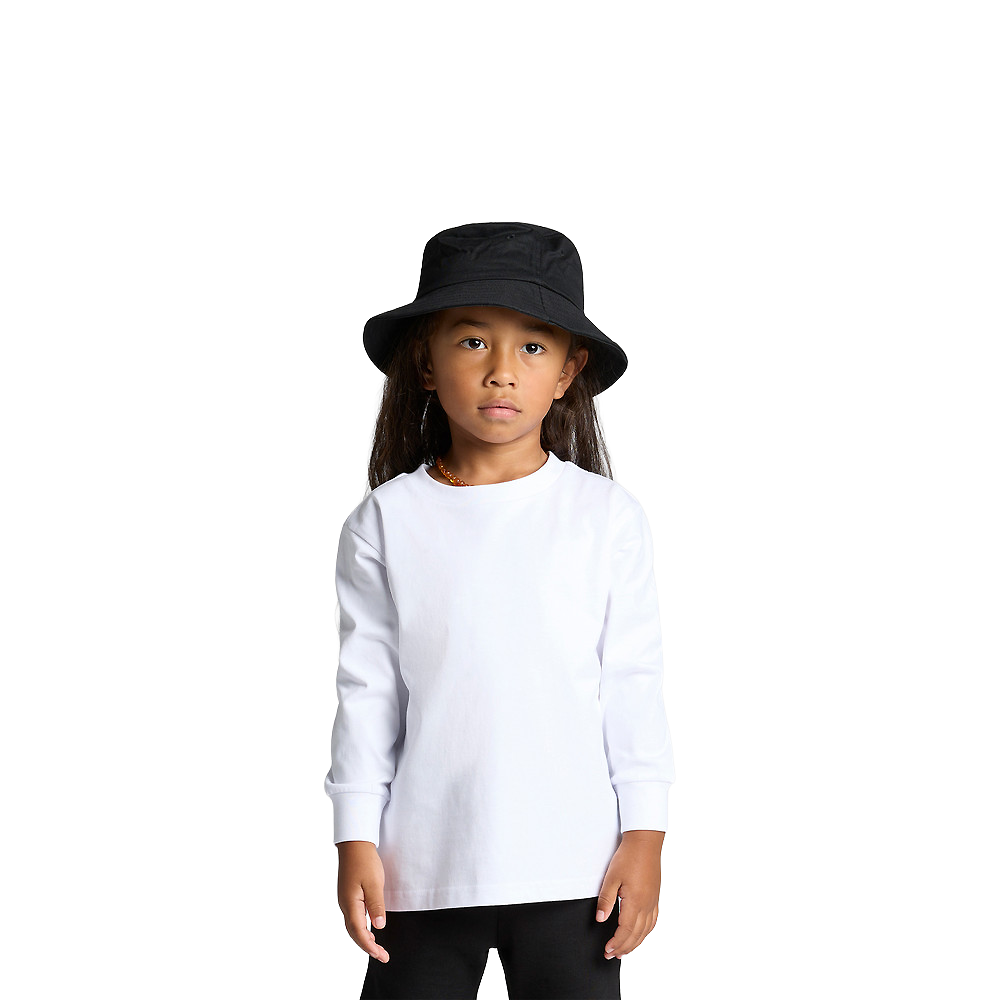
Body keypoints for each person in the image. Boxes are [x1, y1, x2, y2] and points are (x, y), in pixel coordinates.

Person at [324, 221, 677, 1000]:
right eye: (473, 341)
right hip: (421, 865)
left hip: (575, 868)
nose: (501, 372)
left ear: (568, 372)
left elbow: (632, 684)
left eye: (534, 346)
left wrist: (645, 834)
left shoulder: (605, 517)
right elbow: (369, 693)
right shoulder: (385, 521)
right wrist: (355, 836)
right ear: (426, 361)